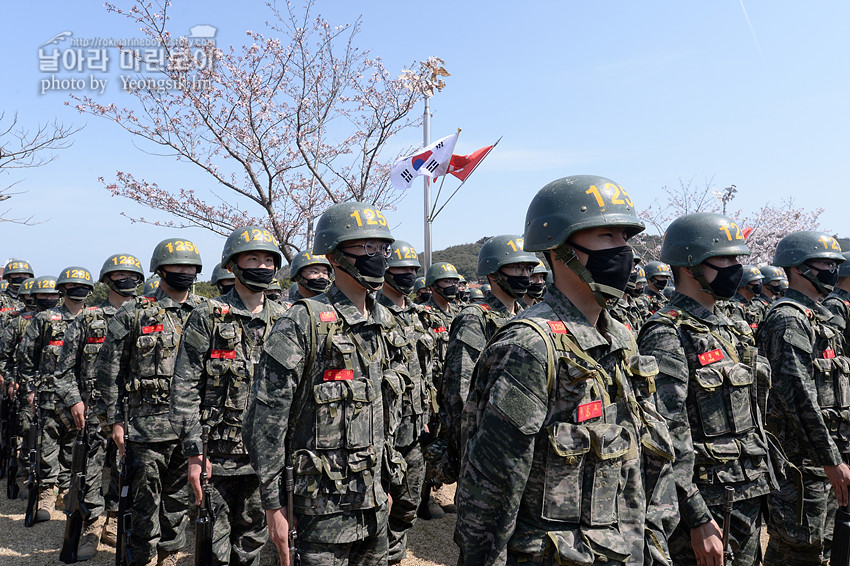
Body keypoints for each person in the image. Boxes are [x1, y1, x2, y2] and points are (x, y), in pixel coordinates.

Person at [455, 175, 677, 565]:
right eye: (605, 236)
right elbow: (492, 481)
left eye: (624, 236)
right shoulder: (530, 345)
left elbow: (648, 450)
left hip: (622, 550)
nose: (623, 250)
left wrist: (654, 538)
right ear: (560, 249)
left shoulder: (622, 338)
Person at [244, 202, 403, 566]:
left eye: (381, 248)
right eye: (364, 248)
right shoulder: (303, 322)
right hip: (318, 512)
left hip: (374, 505)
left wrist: (386, 483)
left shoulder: (388, 323)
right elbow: (264, 423)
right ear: (334, 255)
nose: (376, 257)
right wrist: (273, 505)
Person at [638, 213, 775, 565]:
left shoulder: (732, 327)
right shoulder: (667, 333)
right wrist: (696, 515)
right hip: (708, 504)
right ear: (690, 264)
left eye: (737, 259)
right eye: (724, 259)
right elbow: (668, 435)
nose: (734, 268)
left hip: (748, 491)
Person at [171, 226, 287, 565]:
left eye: (269, 260)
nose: (262, 266)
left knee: (252, 542)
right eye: (253, 258)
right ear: (233, 265)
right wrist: (194, 454)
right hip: (216, 459)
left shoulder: (285, 319)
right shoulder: (207, 315)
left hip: (264, 458)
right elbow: (185, 387)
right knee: (213, 548)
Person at [96, 238, 203, 566]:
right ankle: (142, 558)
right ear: (160, 269)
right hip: (144, 430)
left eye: (189, 266)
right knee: (144, 506)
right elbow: (108, 370)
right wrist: (114, 421)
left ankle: (169, 556)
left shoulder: (207, 313)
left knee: (177, 504)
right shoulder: (134, 312)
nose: (183, 271)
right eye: (177, 266)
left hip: (191, 430)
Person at [758, 231, 850, 565]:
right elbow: (799, 398)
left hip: (822, 460)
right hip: (802, 464)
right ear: (798, 267)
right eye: (825, 262)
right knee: (800, 550)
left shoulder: (818, 317)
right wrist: (831, 458)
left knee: (822, 546)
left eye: (835, 263)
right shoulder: (789, 319)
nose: (832, 270)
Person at [53, 254, 144, 557]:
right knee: (89, 468)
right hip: (91, 413)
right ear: (107, 281)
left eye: (131, 274)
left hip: (130, 412)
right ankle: (91, 521)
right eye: (119, 275)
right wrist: (74, 400)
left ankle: (116, 519)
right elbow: (63, 371)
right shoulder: (88, 319)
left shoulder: (148, 317)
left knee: (123, 468)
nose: (126, 280)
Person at [439, 235, 537, 486]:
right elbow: (460, 386)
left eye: (528, 268)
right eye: (517, 267)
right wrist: (467, 444)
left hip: (521, 427)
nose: (525, 274)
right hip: (485, 432)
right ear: (494, 273)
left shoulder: (527, 317)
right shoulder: (476, 318)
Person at [18, 267, 95, 523]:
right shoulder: (45, 319)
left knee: (74, 448)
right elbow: (27, 358)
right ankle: (46, 493)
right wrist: (29, 389)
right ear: (62, 289)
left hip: (81, 399)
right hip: (48, 396)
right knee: (46, 446)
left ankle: (66, 490)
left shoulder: (94, 320)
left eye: (82, 285)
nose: (78, 289)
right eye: (72, 285)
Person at [376, 239, 434, 563]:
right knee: (378, 506)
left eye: (413, 269)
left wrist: (423, 412)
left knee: (407, 506)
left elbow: (420, 371)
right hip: (384, 433)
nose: (408, 275)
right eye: (401, 269)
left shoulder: (415, 315)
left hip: (413, 430)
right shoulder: (374, 314)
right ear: (386, 271)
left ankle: (394, 555)